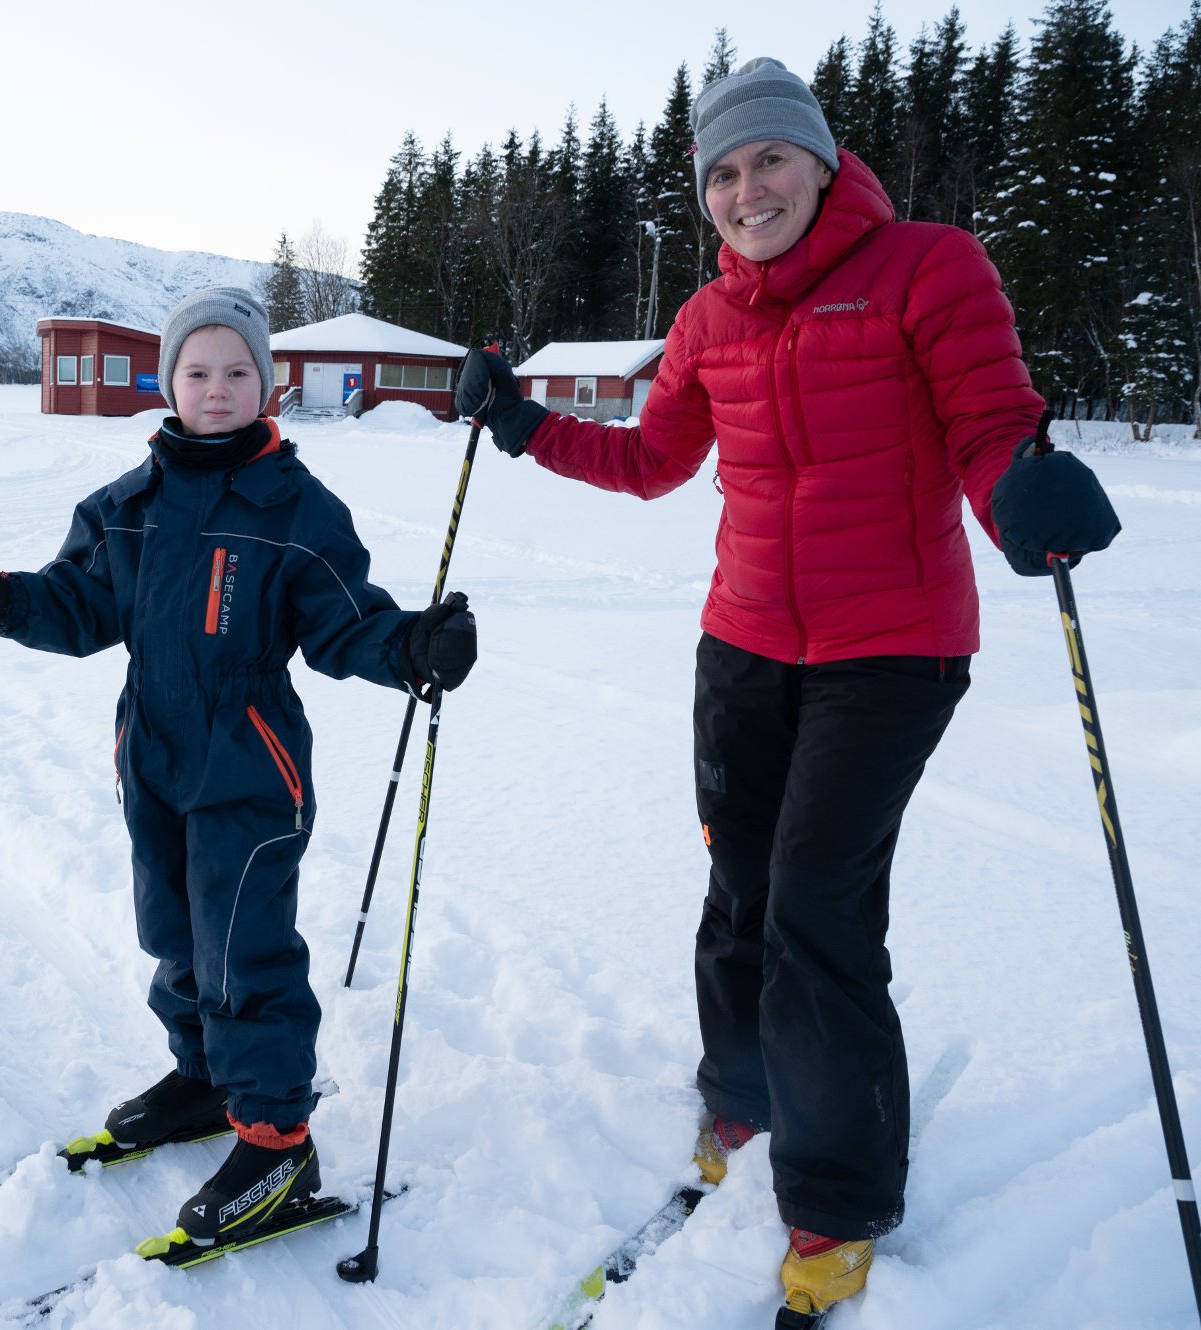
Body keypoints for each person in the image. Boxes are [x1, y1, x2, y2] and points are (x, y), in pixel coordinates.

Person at [456, 59, 1119, 1320]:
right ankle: (743, 1098)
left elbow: (987, 422)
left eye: (767, 159)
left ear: (818, 162)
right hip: (743, 644)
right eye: (721, 173)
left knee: (818, 910)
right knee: (740, 889)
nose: (746, 189)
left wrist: (1020, 488)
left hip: (891, 649)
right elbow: (652, 460)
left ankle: (837, 1196)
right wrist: (527, 425)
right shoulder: (708, 319)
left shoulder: (928, 268)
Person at [0, 286, 477, 1253]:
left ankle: (277, 1138)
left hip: (250, 762)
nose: (216, 389)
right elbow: (78, 604)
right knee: (174, 931)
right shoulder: (125, 506)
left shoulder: (296, 507)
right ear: (168, 383)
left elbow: (346, 620)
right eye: (197, 371)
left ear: (265, 385)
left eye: (237, 372)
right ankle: (205, 1078)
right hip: (152, 753)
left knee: (243, 947)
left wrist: (410, 648)